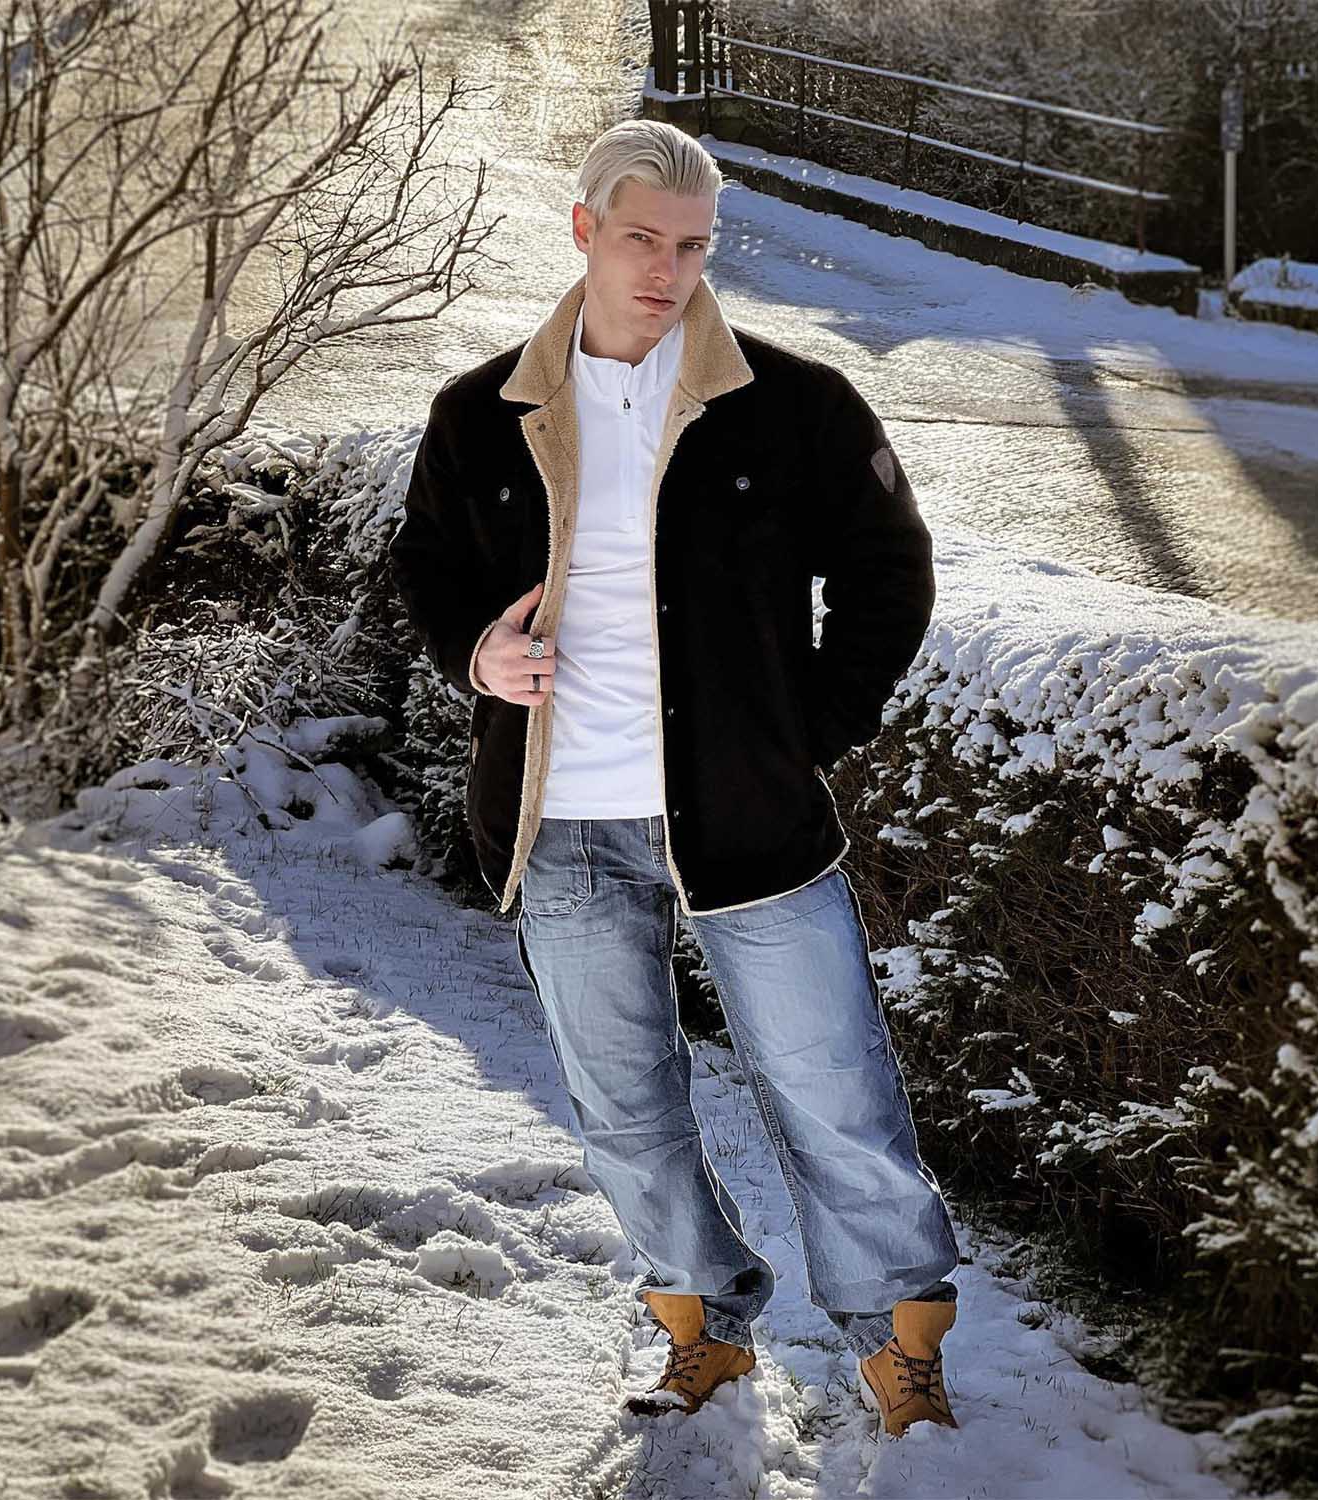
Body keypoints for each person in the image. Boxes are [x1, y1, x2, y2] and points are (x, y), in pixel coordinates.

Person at [388, 119, 961, 1438]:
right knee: (625, 1110)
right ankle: (703, 1327)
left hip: (751, 823)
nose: (668, 269)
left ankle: (899, 1349)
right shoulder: (479, 414)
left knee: (836, 1097)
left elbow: (890, 573)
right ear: (585, 230)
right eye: (643, 238)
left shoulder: (797, 404)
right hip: (560, 828)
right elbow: (426, 568)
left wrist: (799, 730)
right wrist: (478, 654)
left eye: (694, 246)